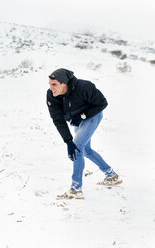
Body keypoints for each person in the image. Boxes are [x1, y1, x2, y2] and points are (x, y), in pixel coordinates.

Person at [46, 68, 122, 200]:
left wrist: (83, 115)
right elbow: (58, 119)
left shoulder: (84, 87)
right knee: (85, 149)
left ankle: (76, 190)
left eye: (54, 84)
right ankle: (111, 175)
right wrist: (68, 141)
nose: (51, 88)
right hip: (77, 118)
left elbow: (102, 103)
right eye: (50, 84)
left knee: (78, 148)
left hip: (93, 115)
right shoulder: (51, 95)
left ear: (64, 83)